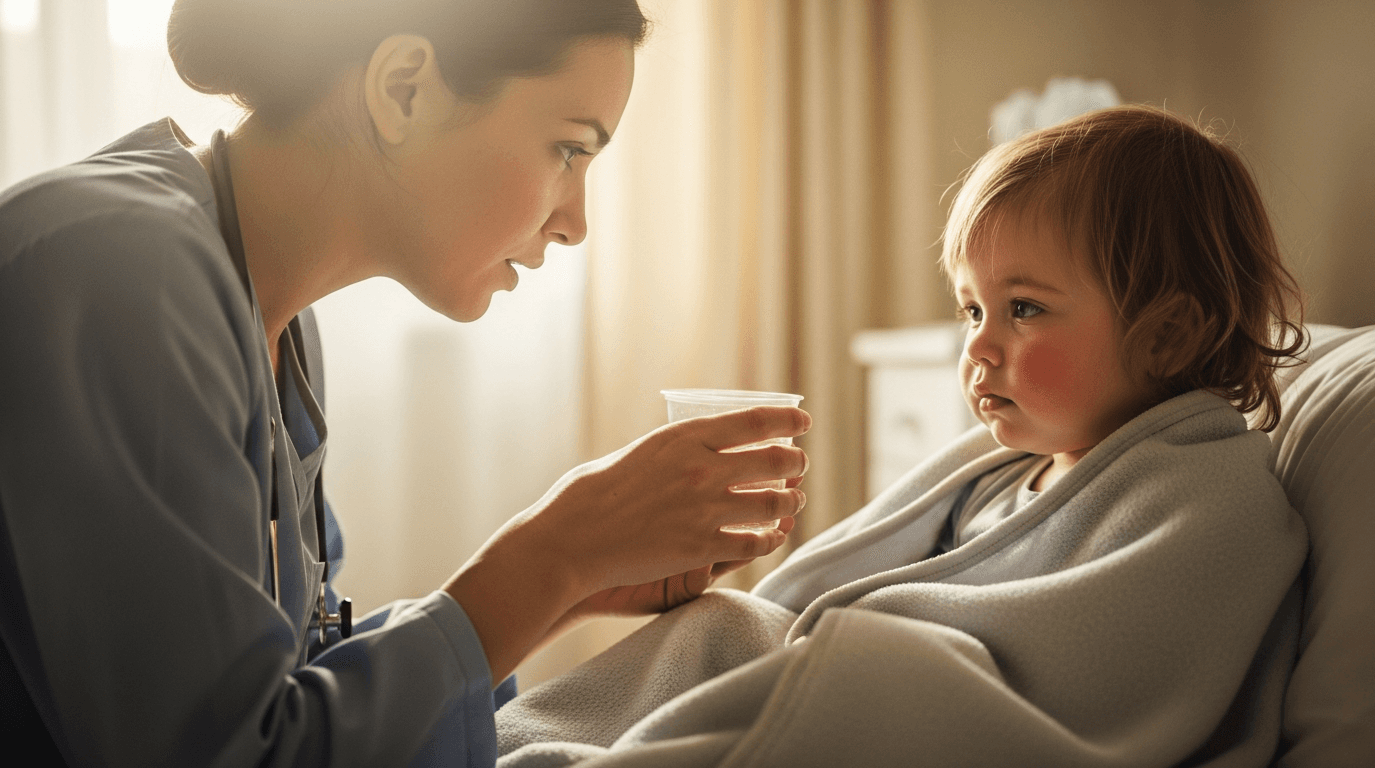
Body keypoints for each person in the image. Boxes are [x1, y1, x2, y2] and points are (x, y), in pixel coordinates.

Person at [0, 1, 811, 766]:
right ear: (404, 90)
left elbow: (298, 686)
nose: (576, 222)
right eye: (569, 148)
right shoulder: (117, 274)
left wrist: (572, 584)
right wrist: (554, 555)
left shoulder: (272, 321)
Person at [493, 106, 1312, 768]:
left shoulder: (1209, 498)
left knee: (867, 675)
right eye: (971, 309)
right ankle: (495, 748)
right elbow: (814, 602)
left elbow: (1098, 678)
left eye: (1023, 309)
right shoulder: (997, 472)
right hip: (871, 678)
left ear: (1167, 336)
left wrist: (869, 653)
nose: (979, 346)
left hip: (939, 713)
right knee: (725, 625)